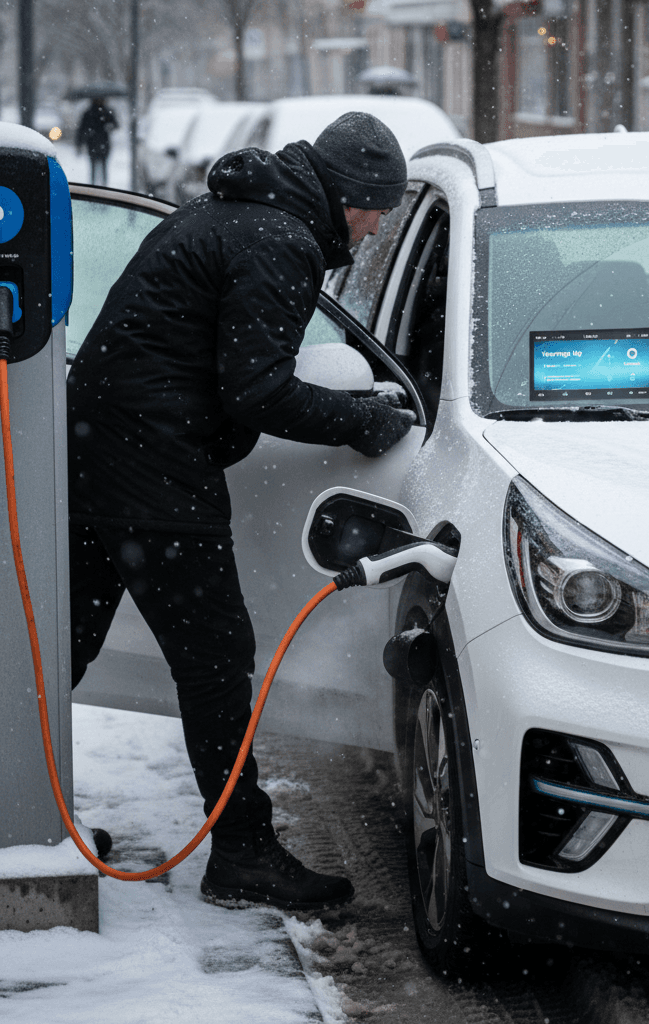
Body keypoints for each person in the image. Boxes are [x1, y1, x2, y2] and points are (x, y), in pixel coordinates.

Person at [66, 112, 413, 912]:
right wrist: (363, 418)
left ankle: (24, 818)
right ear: (353, 195)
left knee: (65, 648)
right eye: (378, 209)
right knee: (217, 657)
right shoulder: (279, 242)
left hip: (99, 451)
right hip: (152, 467)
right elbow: (255, 389)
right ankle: (245, 854)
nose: (374, 226)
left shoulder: (224, 216)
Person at [75, 97, 119, 185]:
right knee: (99, 167)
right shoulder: (104, 112)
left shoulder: (91, 113)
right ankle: (100, 186)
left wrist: (79, 143)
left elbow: (81, 130)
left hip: (96, 144)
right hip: (99, 144)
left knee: (98, 167)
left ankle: (98, 186)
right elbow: (81, 129)